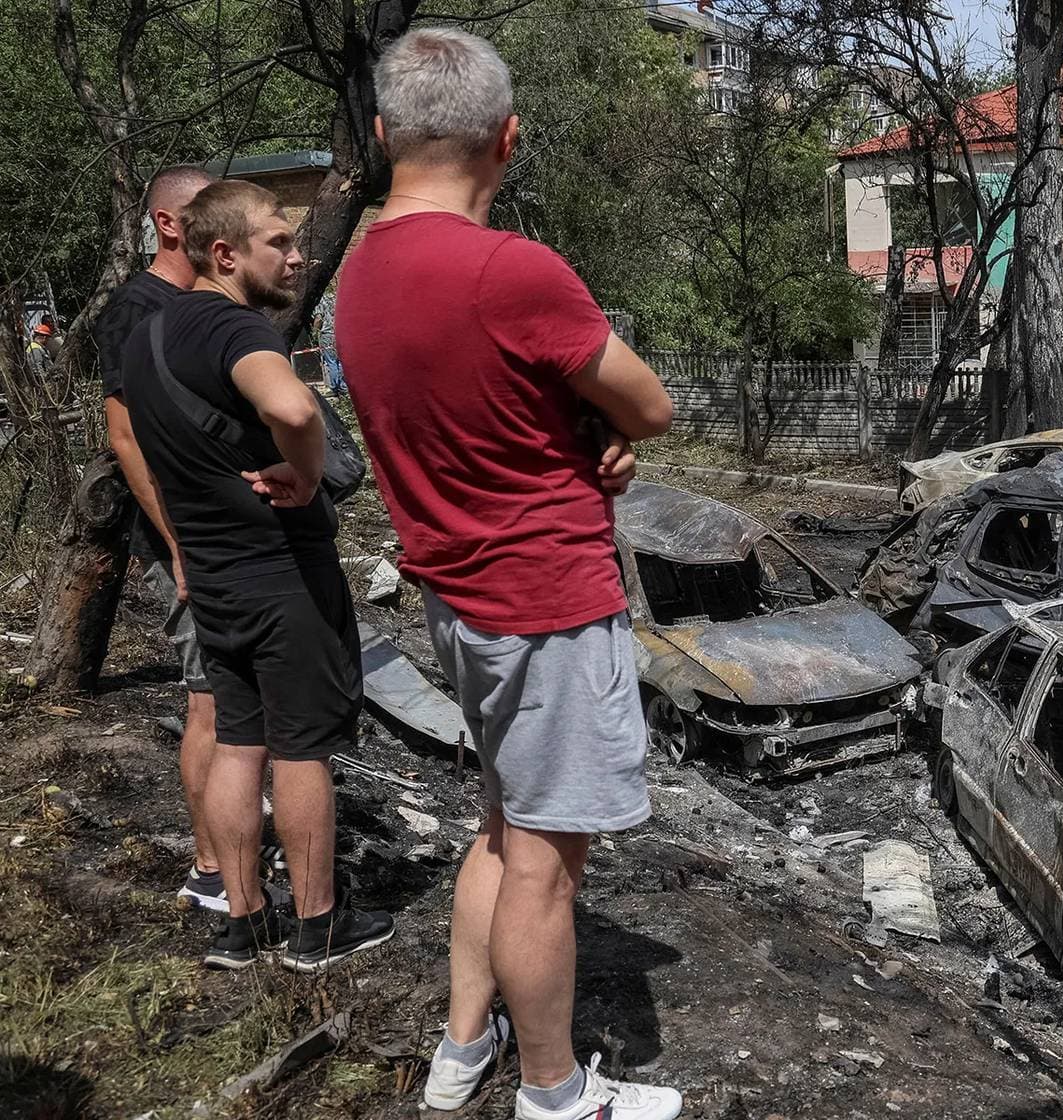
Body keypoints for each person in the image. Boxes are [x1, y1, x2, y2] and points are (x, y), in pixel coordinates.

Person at [334, 28, 677, 1120]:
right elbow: (653, 403)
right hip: (546, 603)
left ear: (384, 135)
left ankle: (460, 1049)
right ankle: (555, 1094)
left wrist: (583, 433)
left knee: (499, 821)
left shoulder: (360, 271)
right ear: (508, 139)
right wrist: (609, 431)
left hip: (458, 596)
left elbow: (484, 414)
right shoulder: (512, 270)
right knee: (543, 863)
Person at [120, 179, 392, 972]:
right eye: (280, 239)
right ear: (225, 252)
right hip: (280, 574)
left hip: (212, 578)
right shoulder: (239, 332)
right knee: (302, 748)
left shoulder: (146, 337)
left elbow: (141, 441)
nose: (298, 252)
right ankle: (318, 927)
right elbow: (298, 412)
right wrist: (305, 475)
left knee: (239, 744)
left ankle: (244, 923)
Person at [92, 164, 252, 913]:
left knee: (237, 695)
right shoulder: (137, 310)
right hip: (186, 534)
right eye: (206, 212)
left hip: (230, 528)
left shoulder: (202, 305)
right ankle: (211, 867)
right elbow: (125, 438)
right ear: (167, 224)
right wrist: (179, 542)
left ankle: (240, 847)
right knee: (209, 699)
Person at [314, 291, 345, 394]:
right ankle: (343, 386)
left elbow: (319, 318)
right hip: (340, 333)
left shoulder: (322, 300)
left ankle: (334, 387)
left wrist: (315, 331)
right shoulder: (337, 297)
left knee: (331, 362)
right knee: (340, 361)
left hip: (327, 334)